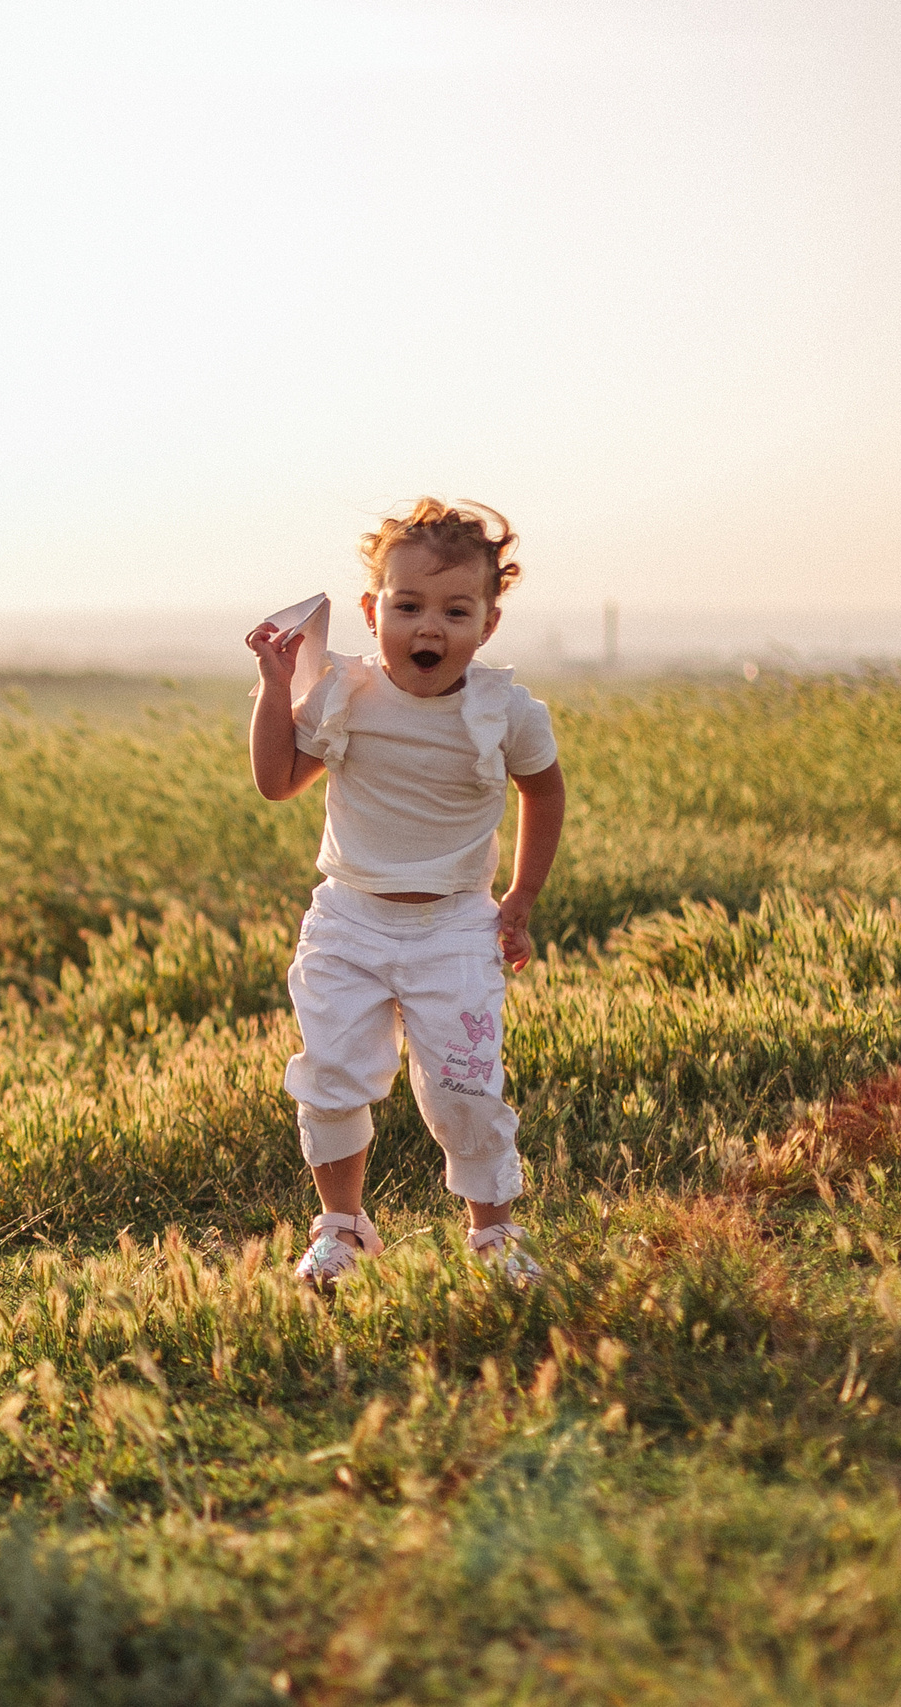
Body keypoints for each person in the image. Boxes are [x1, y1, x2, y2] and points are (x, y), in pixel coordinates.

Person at [244, 499, 567, 1291]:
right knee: (333, 1073)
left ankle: (492, 1232)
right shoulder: (346, 697)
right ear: (372, 610)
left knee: (465, 1083)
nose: (431, 627)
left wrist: (521, 895)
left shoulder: (503, 712)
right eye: (408, 605)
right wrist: (276, 685)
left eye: (456, 611)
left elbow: (545, 791)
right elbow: (278, 781)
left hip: (455, 924)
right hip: (349, 920)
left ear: (488, 624)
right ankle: (342, 1226)